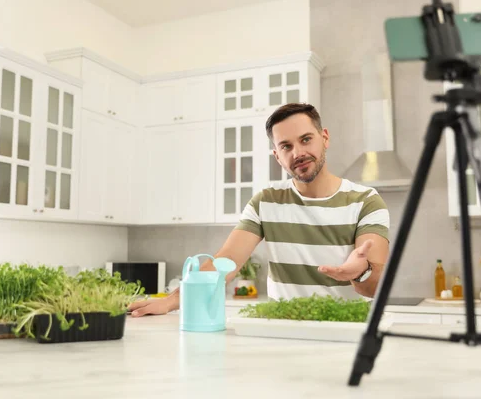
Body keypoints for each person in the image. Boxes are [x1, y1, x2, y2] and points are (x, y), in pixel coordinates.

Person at [128, 103, 390, 317]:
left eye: (306, 139)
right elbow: (225, 261)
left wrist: (361, 270)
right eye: (286, 146)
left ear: (324, 138)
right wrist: (173, 300)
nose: (298, 152)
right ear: (277, 156)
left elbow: (373, 288)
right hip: (281, 333)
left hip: (345, 336)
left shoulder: (366, 201)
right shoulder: (266, 202)